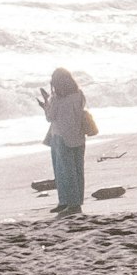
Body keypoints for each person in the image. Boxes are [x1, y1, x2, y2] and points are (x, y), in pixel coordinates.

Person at [39, 67, 93, 218]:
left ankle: (69, 203)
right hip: (78, 135)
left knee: (62, 171)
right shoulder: (79, 94)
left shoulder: (56, 99)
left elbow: (50, 117)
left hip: (61, 137)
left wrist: (45, 103)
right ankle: (73, 203)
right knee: (76, 170)